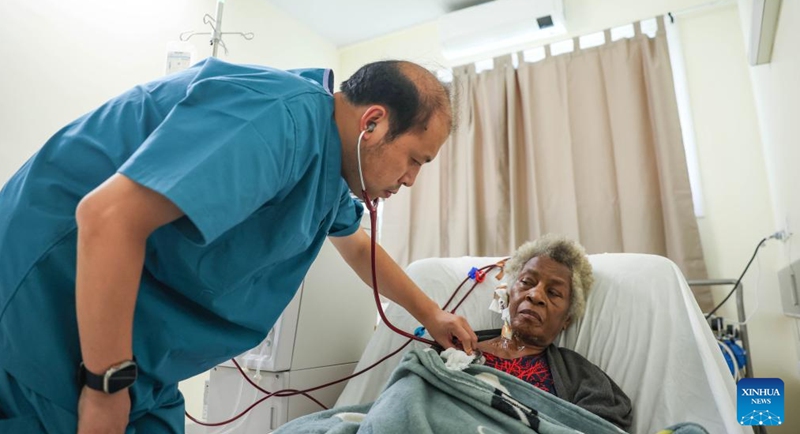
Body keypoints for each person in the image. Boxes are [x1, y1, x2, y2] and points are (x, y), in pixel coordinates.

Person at [0, 58, 477, 433]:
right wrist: (106, 389)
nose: (411, 179)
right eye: (415, 159)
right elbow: (106, 219)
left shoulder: (329, 168)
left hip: (140, 355)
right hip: (47, 316)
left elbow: (357, 246)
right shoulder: (278, 118)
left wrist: (431, 314)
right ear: (372, 123)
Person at [476, 234, 633, 431]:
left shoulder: (581, 377)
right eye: (527, 282)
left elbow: (603, 426)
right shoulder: (458, 346)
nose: (535, 295)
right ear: (509, 295)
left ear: (566, 319)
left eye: (553, 293)